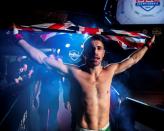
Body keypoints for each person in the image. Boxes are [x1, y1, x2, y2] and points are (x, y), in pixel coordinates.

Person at [13, 25, 155, 131]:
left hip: (105, 128)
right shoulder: (75, 72)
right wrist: (18, 38)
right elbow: (42, 58)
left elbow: (132, 60)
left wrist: (148, 45)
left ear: (104, 53)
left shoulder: (110, 71)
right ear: (85, 53)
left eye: (99, 48)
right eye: (91, 49)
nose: (95, 52)